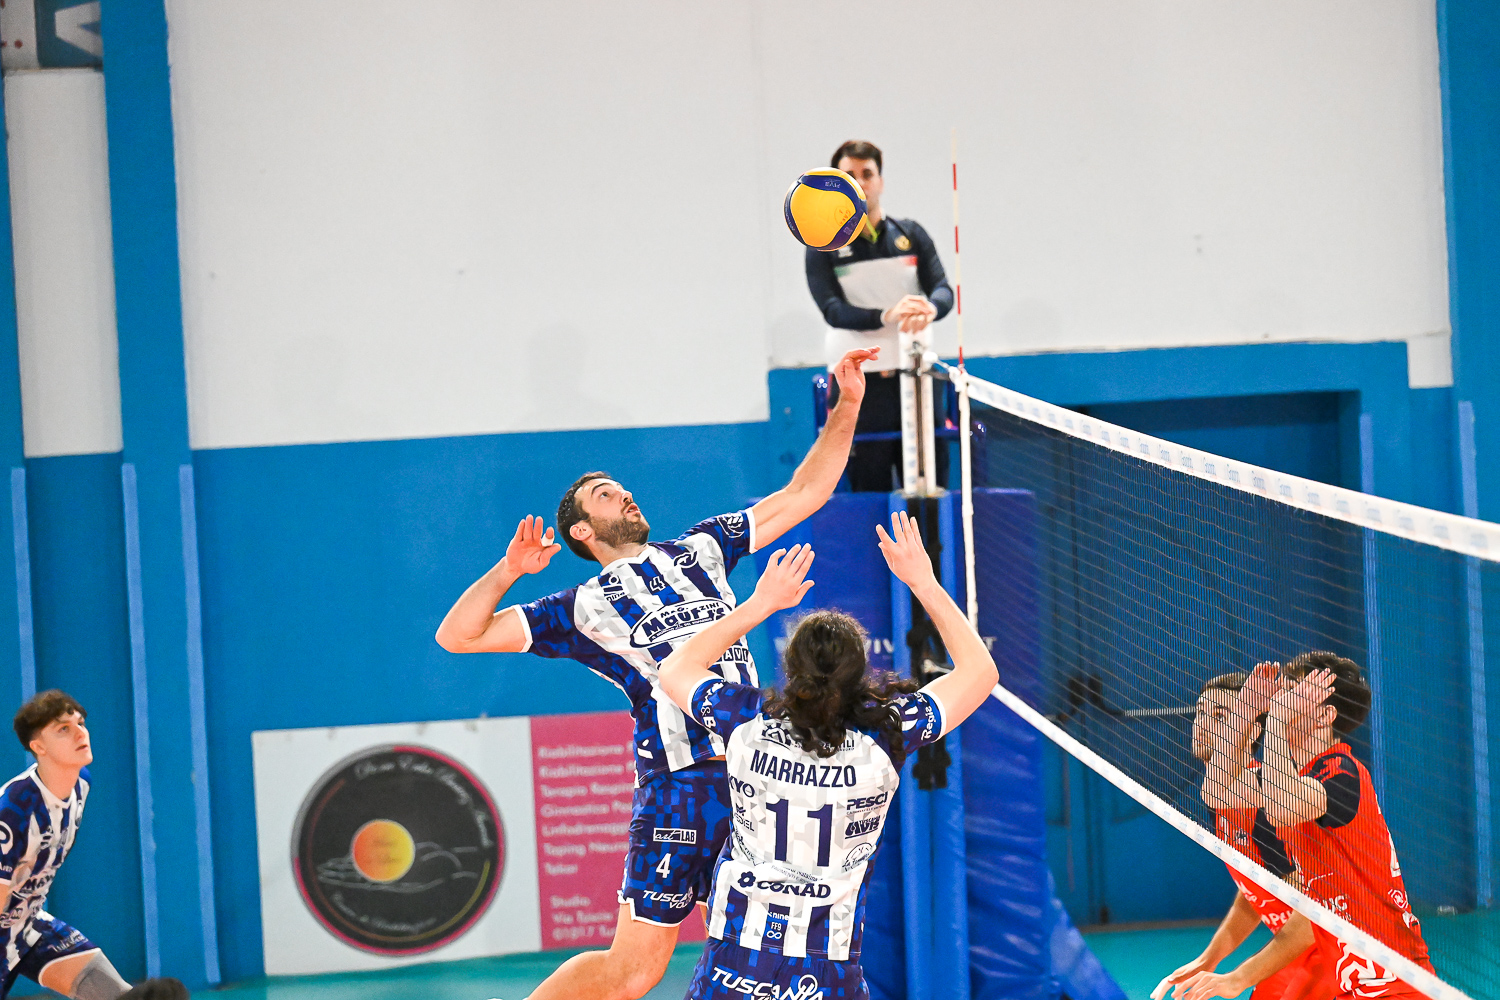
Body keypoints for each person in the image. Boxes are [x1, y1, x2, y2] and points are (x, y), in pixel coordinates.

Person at [436, 348, 877, 1000]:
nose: (624, 491)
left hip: (760, 773)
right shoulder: (582, 607)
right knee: (633, 973)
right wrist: (508, 573)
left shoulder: (703, 548)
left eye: (622, 484)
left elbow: (807, 491)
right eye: (605, 492)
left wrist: (849, 406)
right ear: (584, 528)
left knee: (777, 949)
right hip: (678, 787)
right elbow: (458, 636)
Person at [656, 511, 999, 999]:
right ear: (861, 673)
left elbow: (675, 668)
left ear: (790, 668)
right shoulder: (887, 733)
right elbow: (980, 673)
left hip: (735, 953)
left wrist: (759, 604)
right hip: (827, 965)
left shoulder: (745, 720)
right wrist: (923, 582)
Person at [1191, 654, 1434, 1000]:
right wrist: (1245, 710)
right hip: (1351, 986)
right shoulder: (1296, 778)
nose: (1280, 699)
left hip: (1398, 983)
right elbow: (1216, 791)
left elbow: (1282, 806)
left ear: (1323, 715)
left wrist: (1273, 720)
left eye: (1293, 692)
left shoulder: (1343, 773)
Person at [1153, 670, 1333, 1000]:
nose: (1204, 724)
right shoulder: (1221, 804)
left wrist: (1238, 977)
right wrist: (1209, 959)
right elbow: (1256, 891)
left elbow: (1313, 918)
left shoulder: (1265, 803)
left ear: (1251, 730)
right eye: (1201, 712)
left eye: (1221, 716)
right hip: (1298, 950)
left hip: (1332, 950)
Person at [0, 691, 187, 1000]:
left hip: (29, 922)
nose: (80, 732)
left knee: (122, 997)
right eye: (63, 728)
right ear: (38, 747)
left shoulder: (80, 783)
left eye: (80, 723)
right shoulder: (14, 811)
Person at [805, 140, 954, 492]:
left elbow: (943, 289)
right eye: (848, 175)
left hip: (916, 379)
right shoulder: (821, 247)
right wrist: (889, 314)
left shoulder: (911, 235)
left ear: (880, 181)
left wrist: (929, 308)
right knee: (867, 492)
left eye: (867, 174)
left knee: (928, 489)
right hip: (859, 385)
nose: (859, 182)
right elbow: (833, 310)